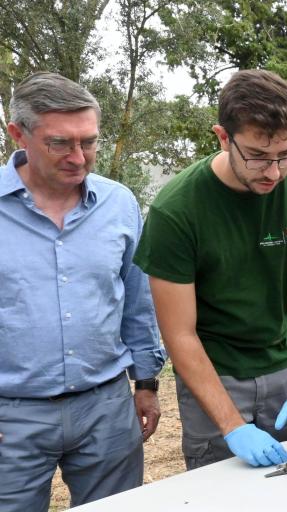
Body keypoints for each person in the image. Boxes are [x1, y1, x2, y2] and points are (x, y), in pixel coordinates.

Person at [134, 69, 287, 469]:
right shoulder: (176, 210)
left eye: (286, 154)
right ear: (223, 137)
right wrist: (231, 425)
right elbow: (179, 333)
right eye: (258, 156)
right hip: (215, 376)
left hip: (284, 369)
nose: (274, 172)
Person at [0, 72, 165, 511]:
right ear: (19, 134)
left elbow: (137, 302)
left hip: (107, 408)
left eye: (88, 141)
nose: (79, 157)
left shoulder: (120, 204)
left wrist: (146, 383)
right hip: (11, 416)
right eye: (60, 143)